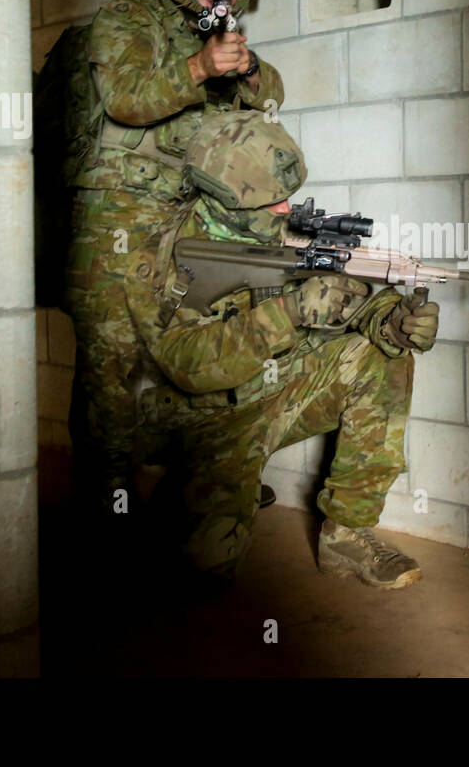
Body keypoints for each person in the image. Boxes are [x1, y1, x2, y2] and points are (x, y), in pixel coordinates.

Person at [121, 113, 441, 590]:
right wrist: (290, 311)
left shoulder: (291, 229)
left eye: (285, 195)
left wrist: (395, 323)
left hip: (287, 391)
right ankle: (197, 488)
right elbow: (186, 363)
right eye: (270, 200)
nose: (285, 208)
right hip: (209, 417)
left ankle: (346, 535)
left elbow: (358, 303)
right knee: (193, 576)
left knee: (381, 357)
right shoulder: (161, 252)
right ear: (223, 196)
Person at [62, 0, 282, 516]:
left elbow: (272, 97)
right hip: (113, 214)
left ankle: (214, 463)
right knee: (111, 366)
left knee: (201, 343)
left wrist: (248, 68)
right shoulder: (129, 16)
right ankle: (108, 500)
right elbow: (127, 98)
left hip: (187, 215)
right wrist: (200, 69)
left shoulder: (217, 33)